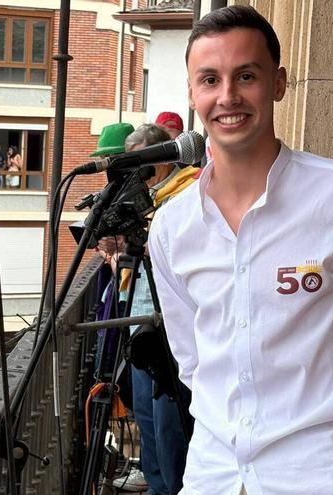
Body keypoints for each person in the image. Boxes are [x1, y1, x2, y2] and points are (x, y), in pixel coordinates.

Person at [149, 6, 333, 495]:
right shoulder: (171, 226)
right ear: (192, 94)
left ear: (279, 83)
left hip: (318, 476)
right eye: (210, 79)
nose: (227, 96)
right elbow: (193, 360)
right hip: (212, 476)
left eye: (245, 76)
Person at [103, 124, 197, 494]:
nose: (138, 175)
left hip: (169, 327)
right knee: (147, 422)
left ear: (163, 159)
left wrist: (147, 245)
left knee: (169, 425)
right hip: (139, 322)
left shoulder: (188, 192)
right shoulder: (147, 197)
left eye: (144, 165)